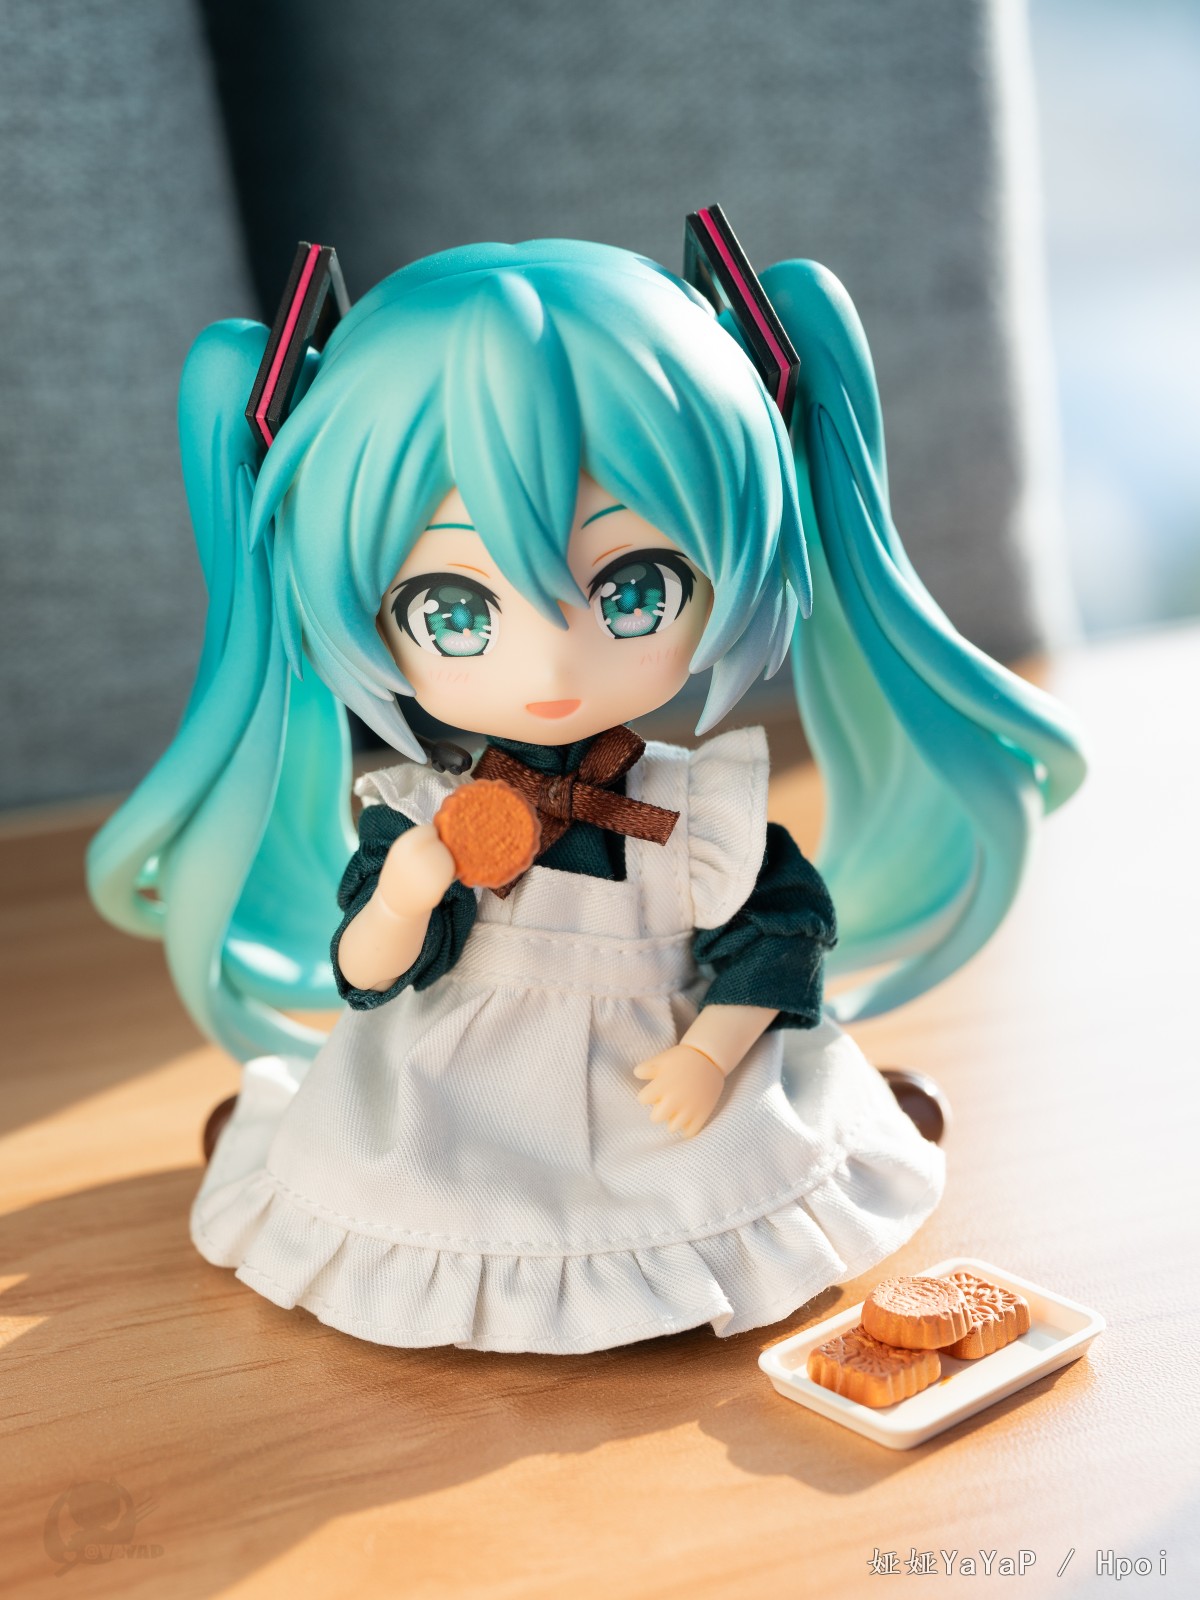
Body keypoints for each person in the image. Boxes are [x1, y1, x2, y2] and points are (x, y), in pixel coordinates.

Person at [87, 235, 1085, 1353]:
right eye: (456, 612)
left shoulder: (699, 813)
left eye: (634, 591)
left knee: (754, 1152)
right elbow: (363, 975)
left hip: (667, 1083)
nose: (554, 666)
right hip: (453, 1100)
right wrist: (406, 894)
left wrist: (712, 1052)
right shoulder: (417, 815)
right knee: (370, 1172)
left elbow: (778, 937)